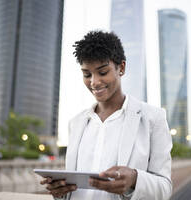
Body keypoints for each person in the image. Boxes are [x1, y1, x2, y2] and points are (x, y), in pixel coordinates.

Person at [41, 31, 172, 200]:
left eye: (102, 72)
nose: (94, 82)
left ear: (121, 68)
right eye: (87, 74)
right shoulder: (76, 123)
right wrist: (60, 192)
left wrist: (134, 180)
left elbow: (165, 188)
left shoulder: (153, 118)